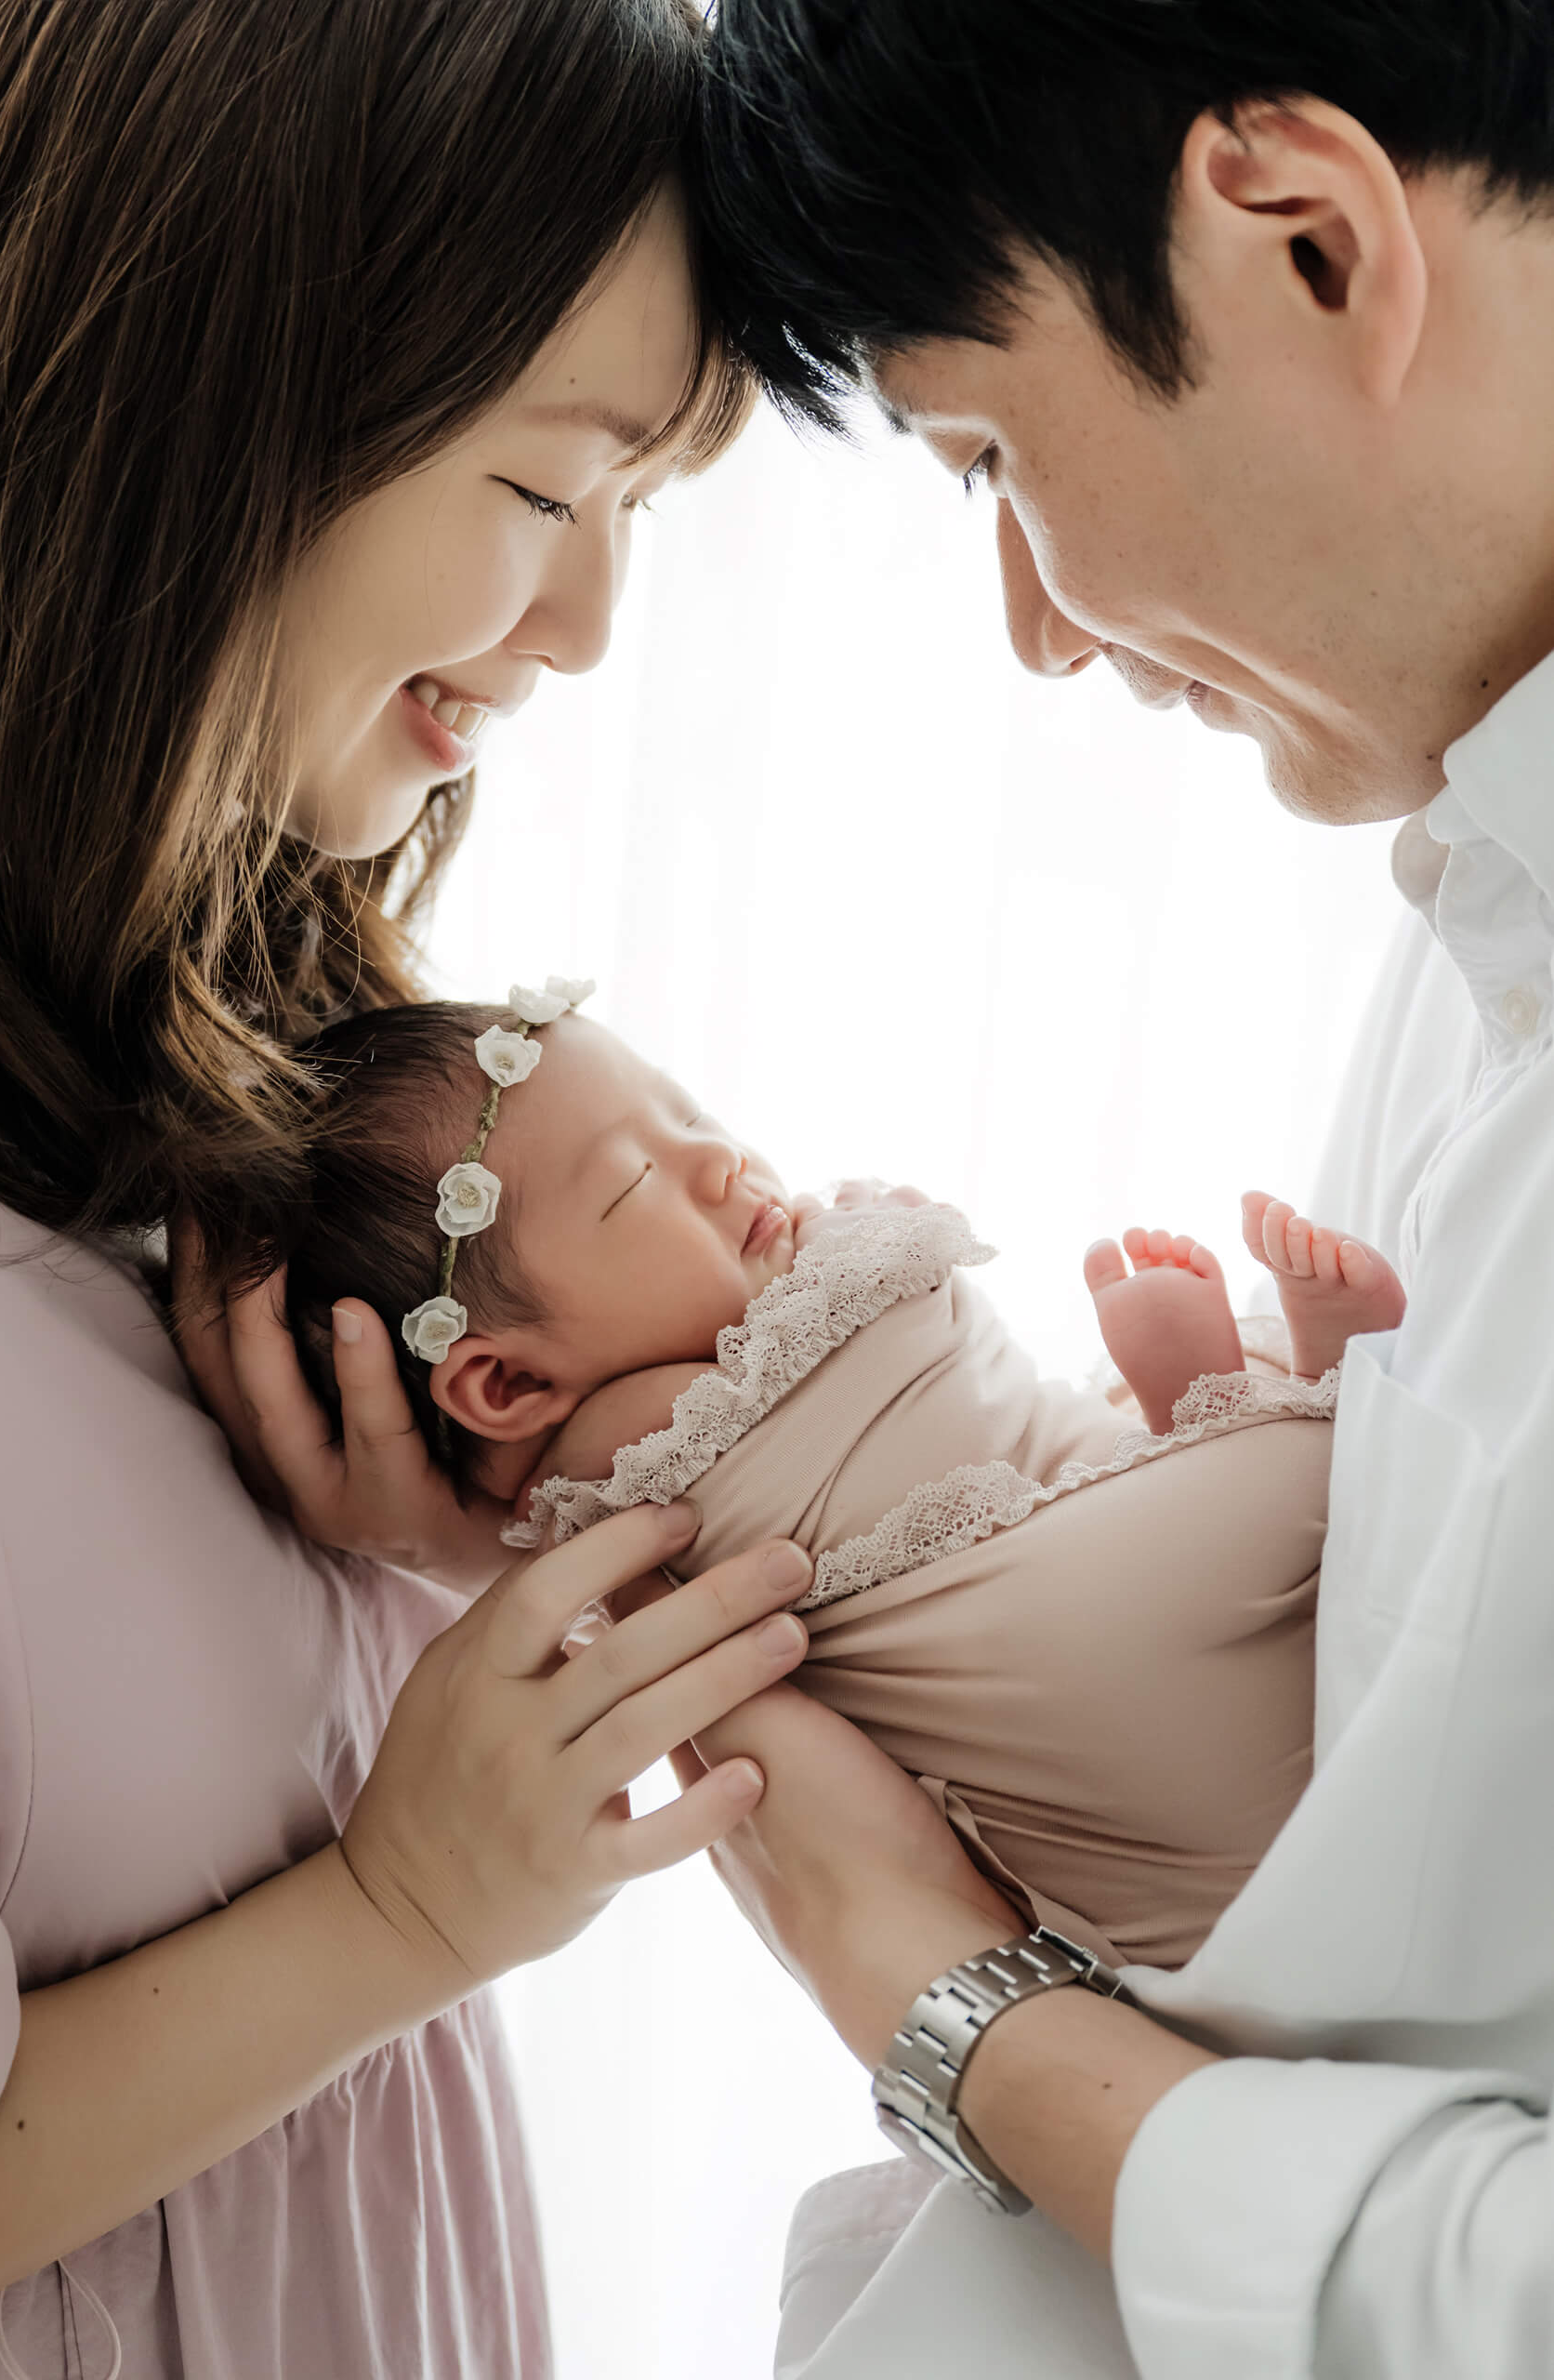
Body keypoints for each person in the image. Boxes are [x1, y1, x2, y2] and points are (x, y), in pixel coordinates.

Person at [678, 4, 1554, 2374]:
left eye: (983, 454)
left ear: (1298, 238)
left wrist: (926, 1985)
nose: (1036, 631)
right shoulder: (1464, 930)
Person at [0, 5, 825, 2373]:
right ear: (209, 398)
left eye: (634, 517)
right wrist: (410, 1902)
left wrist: (444, 1558)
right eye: (552, 495)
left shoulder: (240, 1077)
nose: (581, 633)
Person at [253, 986, 1400, 1972]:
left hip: (1063, 1513)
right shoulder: (621, 1446)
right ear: (502, 1388)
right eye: (637, 1177)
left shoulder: (719, 1331)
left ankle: (1211, 1413)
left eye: (690, 1110)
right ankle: (1247, 1409)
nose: (720, 1158)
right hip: (1051, 1651)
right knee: (1227, 1530)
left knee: (1135, 1468)